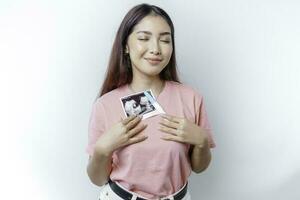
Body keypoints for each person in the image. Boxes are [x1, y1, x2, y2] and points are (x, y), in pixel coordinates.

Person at [86, 3, 216, 200]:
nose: (155, 49)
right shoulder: (105, 105)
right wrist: (102, 149)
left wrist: (202, 141)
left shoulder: (191, 98)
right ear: (126, 46)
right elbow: (97, 178)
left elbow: (199, 168)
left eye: (165, 40)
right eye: (143, 38)